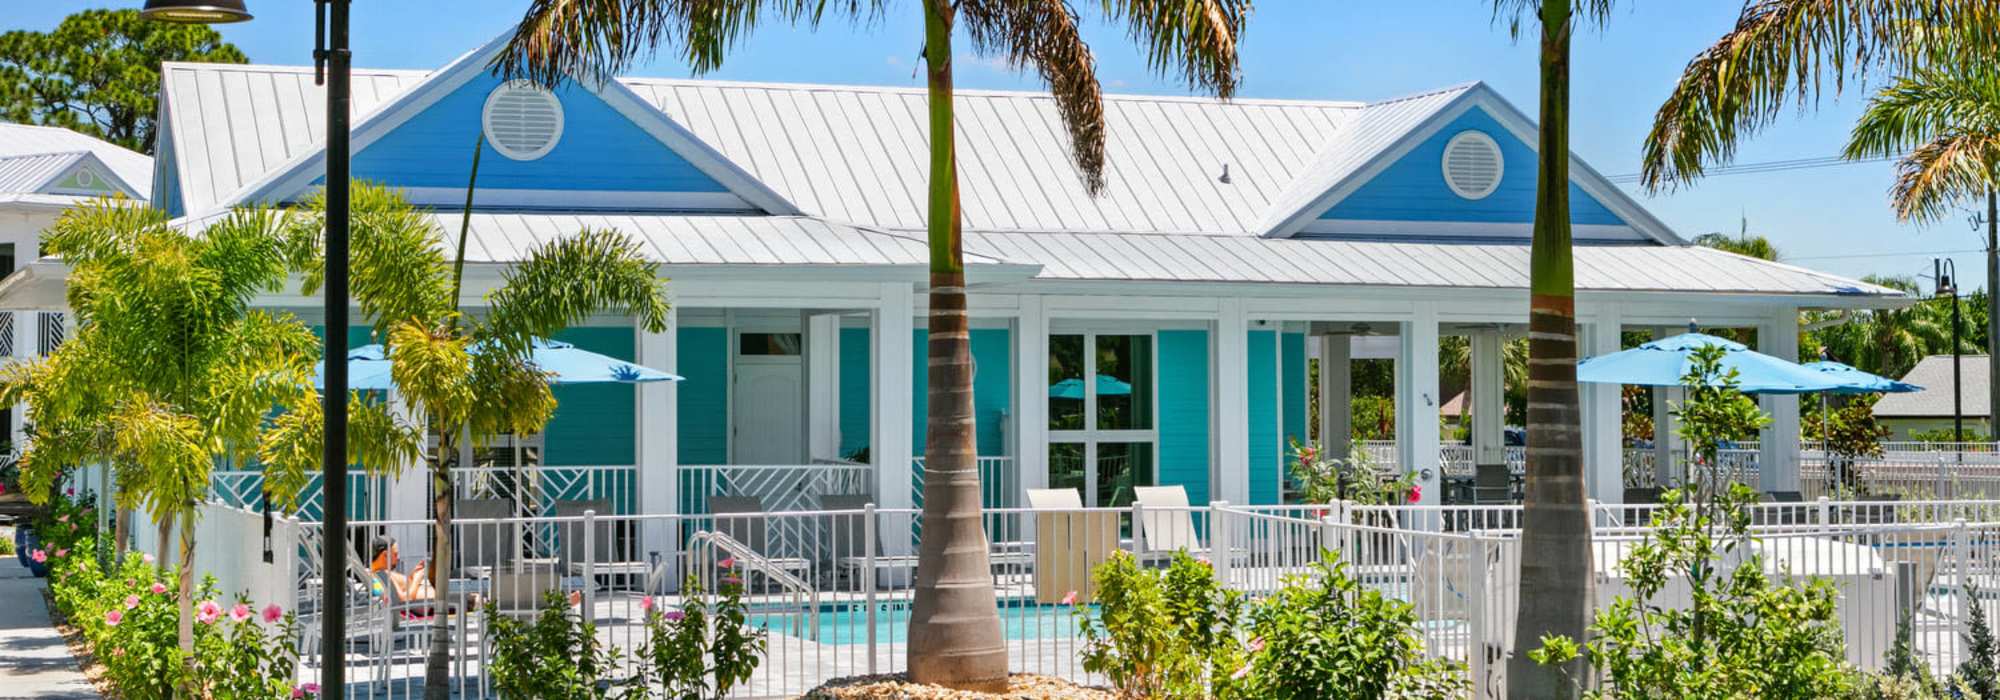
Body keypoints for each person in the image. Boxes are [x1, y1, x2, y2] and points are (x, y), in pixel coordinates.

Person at [368, 535, 437, 602]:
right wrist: (417, 579)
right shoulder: (383, 575)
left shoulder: (377, 573)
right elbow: (403, 599)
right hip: (425, 607)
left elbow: (402, 587)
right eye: (395, 554)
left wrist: (412, 575)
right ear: (385, 555)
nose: (397, 558)